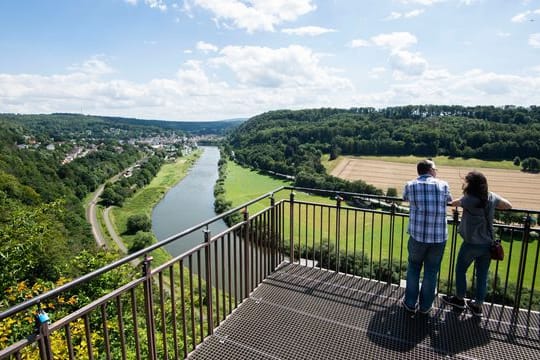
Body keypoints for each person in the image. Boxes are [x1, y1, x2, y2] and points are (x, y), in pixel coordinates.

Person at [442, 171, 512, 317]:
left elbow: (454, 203)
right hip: (487, 244)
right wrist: (492, 207)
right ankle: (477, 306)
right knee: (482, 275)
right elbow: (508, 205)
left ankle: (459, 299)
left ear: (471, 185)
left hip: (471, 244)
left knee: (461, 270)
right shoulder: (491, 197)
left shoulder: (469, 199)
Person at [402, 159, 452, 315]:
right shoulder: (443, 185)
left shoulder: (410, 185)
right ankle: (425, 307)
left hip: (417, 237)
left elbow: (405, 198)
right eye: (435, 169)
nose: (437, 172)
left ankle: (410, 303)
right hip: (438, 238)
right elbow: (449, 200)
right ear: (430, 170)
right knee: (431, 271)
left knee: (413, 268)